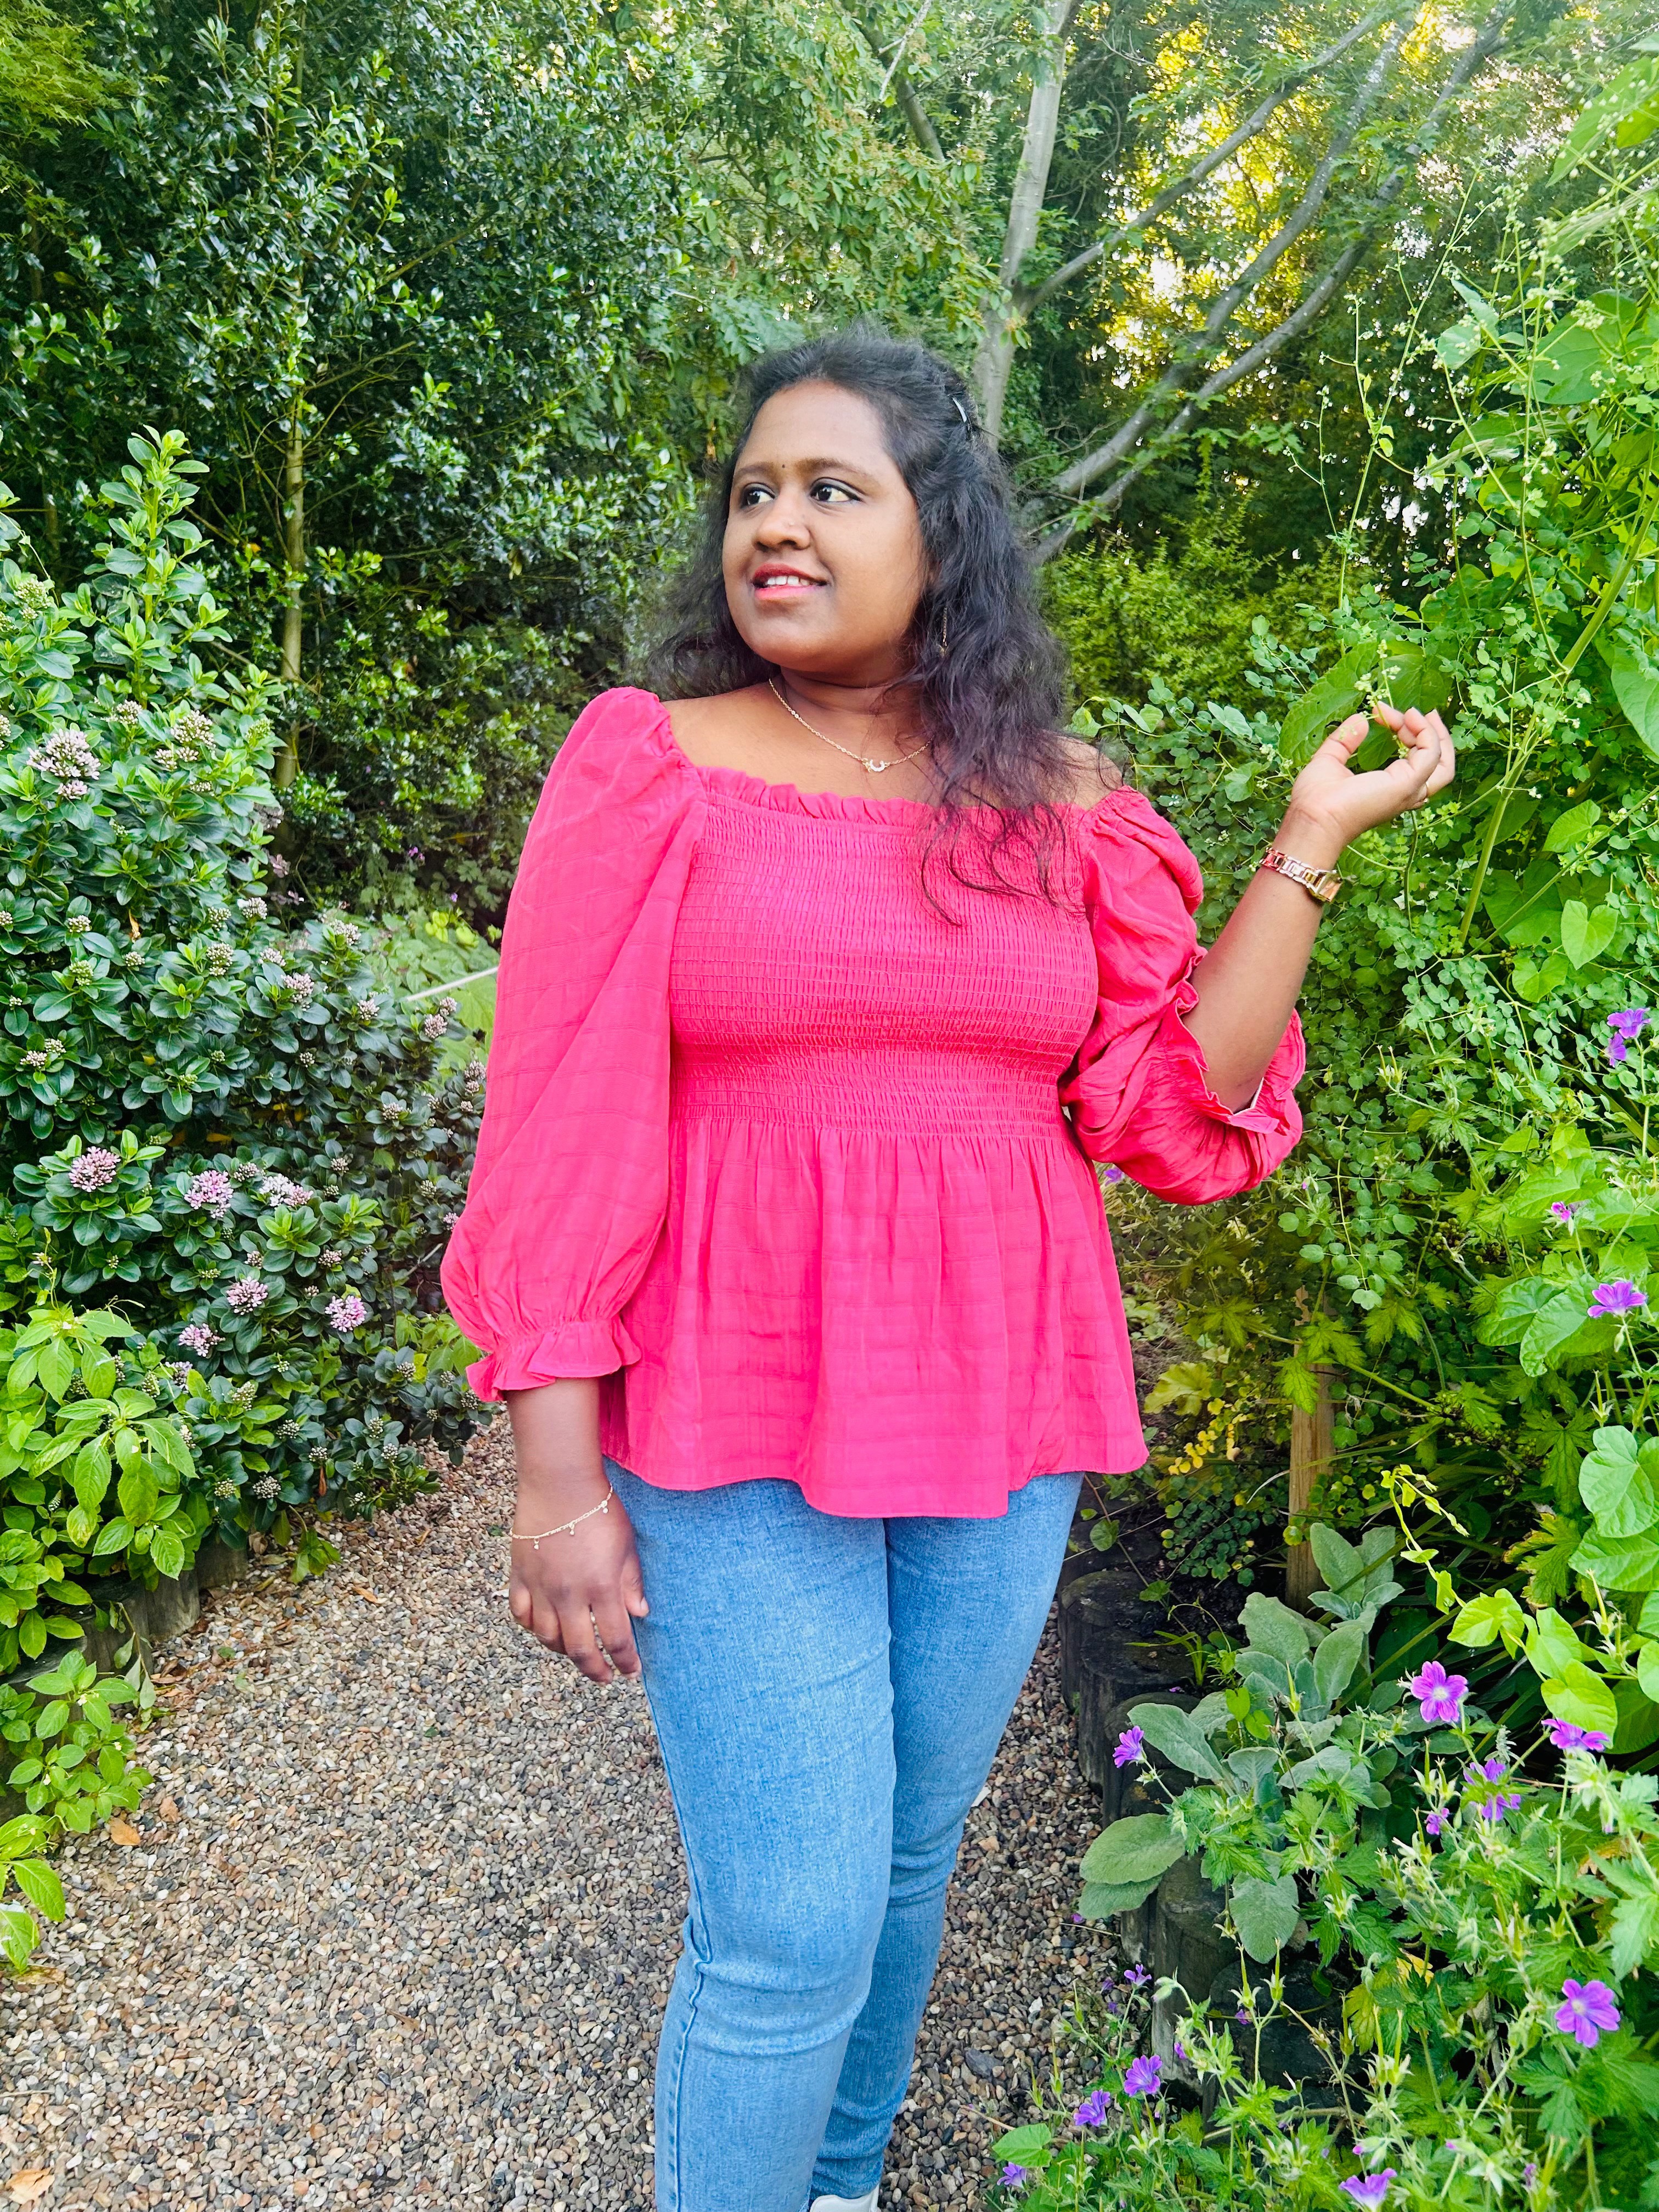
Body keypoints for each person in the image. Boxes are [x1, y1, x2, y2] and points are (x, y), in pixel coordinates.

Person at [440, 326, 1453, 2212]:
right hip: (732, 1404)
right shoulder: (653, 766)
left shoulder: (1060, 801)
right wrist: (554, 1474)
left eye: (834, 489)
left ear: (943, 535)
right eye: (756, 491)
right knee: (790, 1919)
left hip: (1004, 1404)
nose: (779, 524)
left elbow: (1174, 1103)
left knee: (910, 1854)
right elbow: (560, 1120)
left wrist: (1309, 844)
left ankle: (840, 2177)